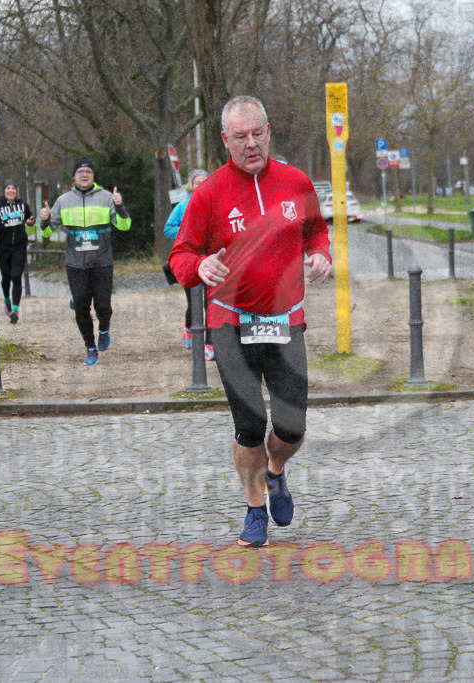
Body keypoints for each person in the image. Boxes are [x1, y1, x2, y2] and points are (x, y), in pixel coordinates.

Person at [170, 95, 332, 548]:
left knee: (291, 426)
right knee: (248, 423)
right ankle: (254, 507)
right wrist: (199, 267)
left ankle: (276, 471)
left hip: (286, 319)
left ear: (268, 130)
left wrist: (321, 253)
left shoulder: (295, 181)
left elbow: (316, 229)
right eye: (240, 136)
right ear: (225, 140)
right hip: (230, 321)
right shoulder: (209, 193)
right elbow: (180, 254)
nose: (251, 143)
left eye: (258, 133)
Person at [39, 157, 131, 365]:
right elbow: (47, 230)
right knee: (81, 305)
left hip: (102, 262)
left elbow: (124, 226)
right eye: (80, 172)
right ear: (74, 176)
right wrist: (43, 218)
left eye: (88, 172)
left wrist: (120, 206)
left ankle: (104, 330)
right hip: (75, 263)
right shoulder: (63, 201)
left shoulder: (107, 197)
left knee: (103, 306)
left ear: (93, 176)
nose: (84, 175)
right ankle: (90, 347)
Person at [163, 168, 212, 359]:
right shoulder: (183, 206)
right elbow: (168, 228)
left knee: (211, 303)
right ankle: (189, 327)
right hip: (189, 260)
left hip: (210, 259)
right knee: (194, 303)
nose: (201, 185)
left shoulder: (215, 203)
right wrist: (187, 236)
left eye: (204, 181)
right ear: (191, 185)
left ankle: (210, 342)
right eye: (197, 182)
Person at [0, 180, 35, 324]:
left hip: (19, 246)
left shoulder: (23, 205)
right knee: (6, 277)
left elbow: (30, 218)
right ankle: (7, 303)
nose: (11, 191)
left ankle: (15, 310)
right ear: (4, 191)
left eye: (13, 188)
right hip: (3, 248)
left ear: (16, 191)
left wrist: (31, 221)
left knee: (16, 276)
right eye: (8, 188)